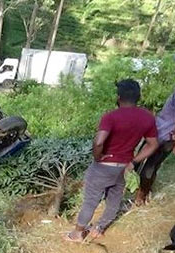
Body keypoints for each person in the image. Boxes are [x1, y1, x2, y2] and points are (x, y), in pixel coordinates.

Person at [65, 79, 159, 242]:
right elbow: (153, 144)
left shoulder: (111, 117)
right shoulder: (147, 118)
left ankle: (77, 234)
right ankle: (99, 228)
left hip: (104, 166)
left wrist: (97, 157)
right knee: (114, 200)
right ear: (138, 97)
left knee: (90, 201)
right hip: (125, 167)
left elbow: (99, 142)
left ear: (118, 97)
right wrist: (134, 162)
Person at [135, 91, 175, 205]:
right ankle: (142, 191)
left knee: (149, 167)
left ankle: (141, 195)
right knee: (144, 164)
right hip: (157, 133)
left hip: (165, 137)